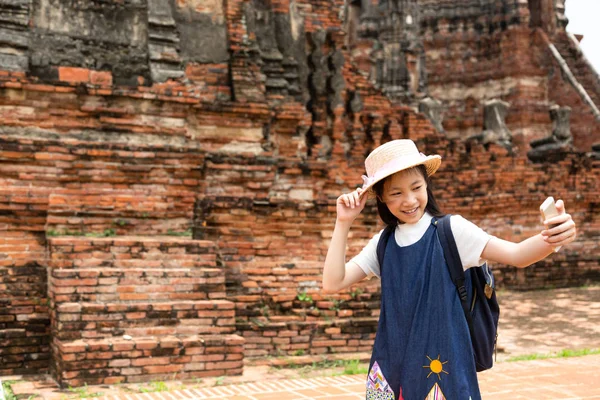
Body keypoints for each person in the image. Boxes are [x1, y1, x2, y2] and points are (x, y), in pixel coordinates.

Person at [321, 139, 577, 400]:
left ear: (427, 185)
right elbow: (333, 282)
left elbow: (517, 254)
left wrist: (553, 238)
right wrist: (343, 222)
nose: (409, 200)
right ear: (382, 197)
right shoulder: (383, 243)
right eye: (396, 193)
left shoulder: (451, 230)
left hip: (441, 373)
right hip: (390, 373)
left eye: (416, 187)